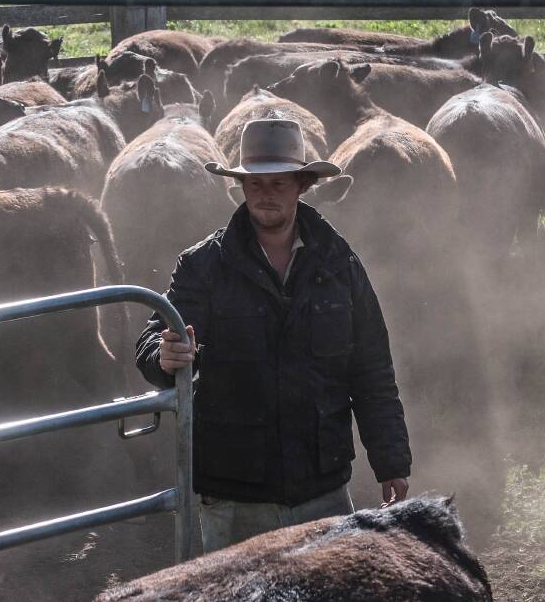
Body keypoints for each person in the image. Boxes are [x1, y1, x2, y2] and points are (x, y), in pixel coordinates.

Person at [135, 119, 412, 553]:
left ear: (302, 185)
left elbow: (372, 368)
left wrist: (391, 461)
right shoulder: (203, 266)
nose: (265, 194)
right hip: (235, 490)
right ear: (240, 187)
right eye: (255, 182)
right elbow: (153, 341)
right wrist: (165, 356)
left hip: (320, 486)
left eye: (279, 183)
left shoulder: (339, 264)